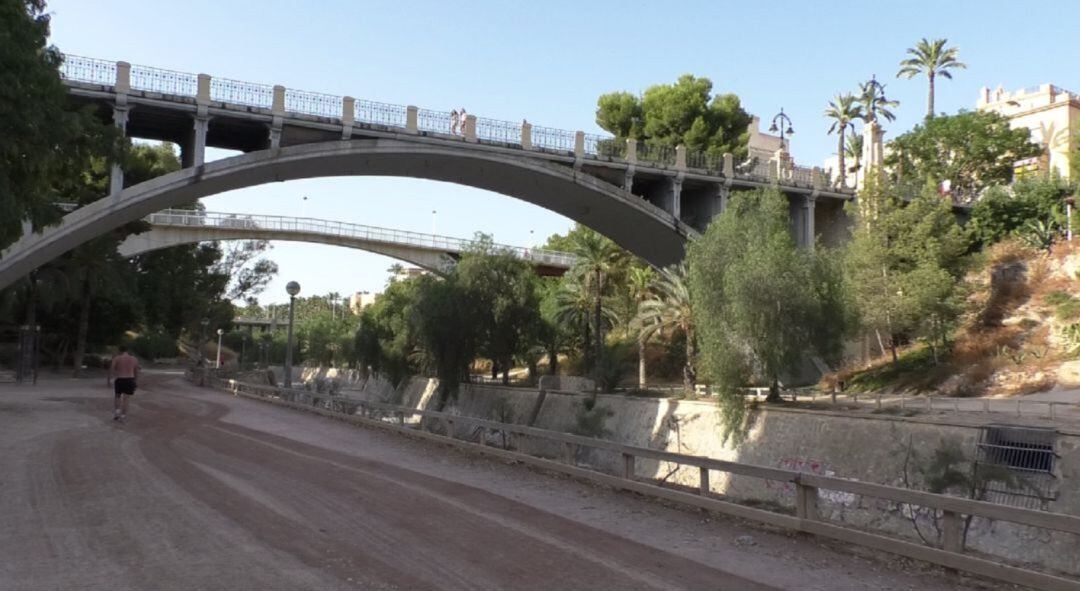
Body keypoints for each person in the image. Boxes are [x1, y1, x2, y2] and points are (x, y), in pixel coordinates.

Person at [108, 346, 141, 421]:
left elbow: (111, 369)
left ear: (119, 350)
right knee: (126, 399)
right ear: (127, 350)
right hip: (130, 379)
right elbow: (136, 372)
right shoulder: (134, 359)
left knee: (117, 396)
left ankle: (117, 413)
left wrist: (109, 380)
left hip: (120, 379)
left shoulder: (116, 358)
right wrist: (136, 381)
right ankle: (123, 416)